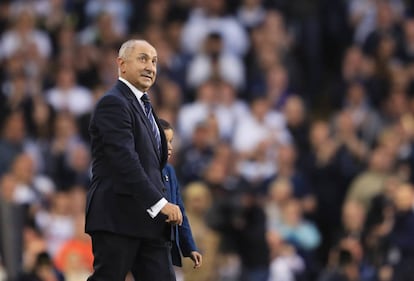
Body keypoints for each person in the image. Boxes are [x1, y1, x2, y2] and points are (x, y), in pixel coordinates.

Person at [85, 39, 183, 281]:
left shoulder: (145, 108)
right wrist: (160, 203)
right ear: (121, 64)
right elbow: (124, 161)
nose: (150, 66)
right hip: (117, 216)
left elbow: (156, 169)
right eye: (142, 58)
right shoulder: (113, 103)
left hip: (149, 222)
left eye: (154, 61)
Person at [158, 118, 202, 269]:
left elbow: (180, 210)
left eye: (171, 141)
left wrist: (190, 247)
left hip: (165, 245)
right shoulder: (143, 171)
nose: (170, 147)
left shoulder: (170, 170)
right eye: (165, 141)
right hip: (146, 243)